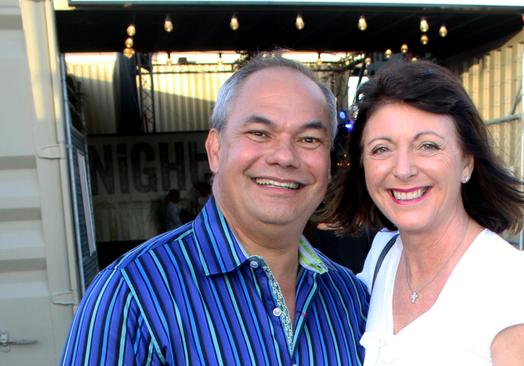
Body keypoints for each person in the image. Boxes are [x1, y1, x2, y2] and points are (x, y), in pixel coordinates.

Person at [60, 54, 369, 365]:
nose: (284, 156)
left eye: (309, 139)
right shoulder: (131, 294)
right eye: (259, 133)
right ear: (215, 150)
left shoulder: (350, 298)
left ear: (329, 164)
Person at [319, 60, 524, 365]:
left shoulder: (511, 283)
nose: (403, 169)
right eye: (381, 149)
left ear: (466, 162)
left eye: (427, 146)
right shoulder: (383, 255)